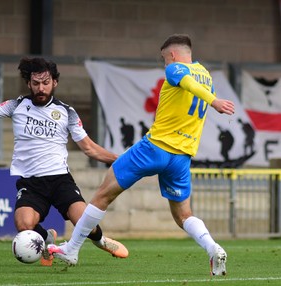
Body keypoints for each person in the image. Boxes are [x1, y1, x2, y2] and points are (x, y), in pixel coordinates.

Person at [47, 34, 235, 276]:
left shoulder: (176, 68)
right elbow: (193, 87)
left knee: (103, 194)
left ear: (173, 55)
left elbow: (187, 83)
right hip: (181, 158)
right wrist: (212, 98)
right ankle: (213, 248)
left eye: (163, 59)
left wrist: (214, 102)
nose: (164, 64)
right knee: (183, 215)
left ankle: (71, 250)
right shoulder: (206, 76)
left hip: (155, 147)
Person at [0, 57, 129, 266]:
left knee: (83, 221)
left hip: (60, 180)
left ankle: (101, 240)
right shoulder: (17, 105)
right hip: (31, 183)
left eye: (46, 83)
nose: (41, 88)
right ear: (28, 83)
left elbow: (89, 148)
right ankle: (46, 238)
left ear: (55, 82)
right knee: (23, 224)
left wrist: (122, 159)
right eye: (35, 83)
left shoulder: (66, 112)